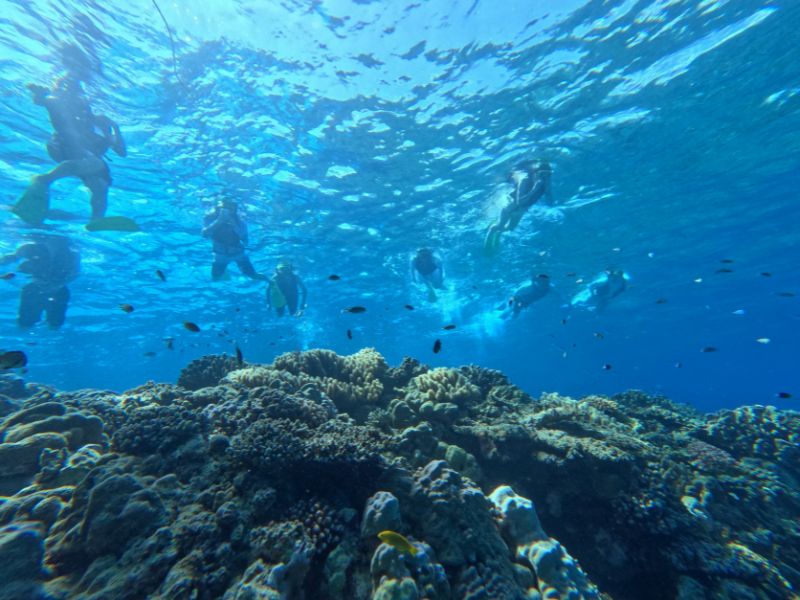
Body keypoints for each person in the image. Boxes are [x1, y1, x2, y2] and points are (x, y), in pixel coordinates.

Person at [13, 62, 131, 230]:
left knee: (101, 186)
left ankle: (95, 221)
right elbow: (53, 105)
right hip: (64, 147)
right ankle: (44, 179)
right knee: (96, 163)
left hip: (82, 160)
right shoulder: (72, 113)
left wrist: (116, 128)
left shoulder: (100, 123)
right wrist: (42, 96)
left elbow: (121, 152)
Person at [0, 235, 80, 329]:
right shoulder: (29, 248)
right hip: (36, 288)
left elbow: (75, 274)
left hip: (58, 290)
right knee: (25, 322)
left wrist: (57, 285)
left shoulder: (72, 255)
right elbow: (12, 257)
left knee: (55, 323)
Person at [484, 159, 553, 255]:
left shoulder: (544, 184)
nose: (544, 177)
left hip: (520, 211)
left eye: (548, 175)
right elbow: (520, 201)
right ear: (536, 173)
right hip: (509, 208)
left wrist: (547, 188)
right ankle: (491, 230)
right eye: (542, 174)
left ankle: (498, 233)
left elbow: (550, 203)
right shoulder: (525, 180)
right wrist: (535, 189)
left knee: (510, 229)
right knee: (499, 226)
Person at [202, 199, 264, 281]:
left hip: (238, 253)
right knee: (215, 277)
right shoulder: (210, 218)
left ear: (235, 210)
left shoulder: (240, 222)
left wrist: (234, 225)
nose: (228, 211)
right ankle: (225, 272)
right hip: (220, 254)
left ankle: (269, 281)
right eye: (224, 208)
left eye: (231, 209)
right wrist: (219, 221)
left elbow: (245, 241)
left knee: (252, 275)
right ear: (219, 208)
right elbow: (205, 234)